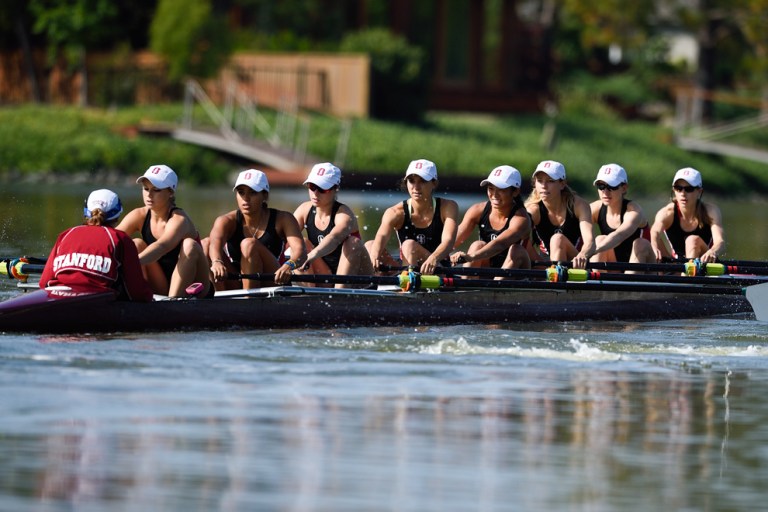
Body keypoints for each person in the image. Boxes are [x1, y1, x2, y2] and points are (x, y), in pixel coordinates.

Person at [115, 164, 211, 298]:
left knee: (189, 244)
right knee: (136, 244)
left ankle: (172, 303)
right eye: (146, 188)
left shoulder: (179, 219)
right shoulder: (139, 215)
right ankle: (135, 296)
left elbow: (162, 246)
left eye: (156, 190)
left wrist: (131, 263)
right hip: (162, 283)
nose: (149, 194)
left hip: (196, 284)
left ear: (170, 192)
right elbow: (111, 239)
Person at [39, 189, 153, 301]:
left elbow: (44, 282)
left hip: (58, 301)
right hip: (100, 304)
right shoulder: (121, 239)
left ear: (86, 212)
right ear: (117, 214)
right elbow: (136, 292)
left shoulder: (66, 234)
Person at [204, 169, 306, 290]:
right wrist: (217, 262)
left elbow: (301, 252)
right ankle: (220, 299)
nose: (246, 199)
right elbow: (214, 244)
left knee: (249, 244)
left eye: (252, 193)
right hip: (237, 282)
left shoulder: (283, 219)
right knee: (206, 243)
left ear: (265, 195)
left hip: (272, 280)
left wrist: (289, 265)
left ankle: (248, 300)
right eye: (241, 192)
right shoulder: (226, 221)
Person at [366, 159, 459, 275]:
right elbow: (381, 236)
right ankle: (376, 285)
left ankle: (407, 286)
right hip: (407, 267)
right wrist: (375, 255)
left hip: (438, 268)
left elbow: (448, 241)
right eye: (411, 181)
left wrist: (434, 258)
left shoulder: (448, 207)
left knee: (409, 245)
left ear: (434, 183)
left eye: (422, 181)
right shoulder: (395, 212)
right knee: (370, 246)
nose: (416, 187)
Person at [292, 163, 373, 287]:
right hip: (327, 277)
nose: (316, 193)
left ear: (336, 188)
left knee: (353, 242)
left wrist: (312, 255)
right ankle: (308, 296)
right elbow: (282, 237)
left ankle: (339, 294)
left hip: (356, 281)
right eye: (312, 186)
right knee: (299, 243)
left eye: (323, 188)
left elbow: (333, 238)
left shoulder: (345, 215)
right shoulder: (304, 210)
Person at [450, 165, 531, 270]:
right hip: (486, 266)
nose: (494, 195)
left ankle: (497, 283)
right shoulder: (477, 210)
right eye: (491, 189)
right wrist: (433, 257)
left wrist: (469, 257)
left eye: (501, 190)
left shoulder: (521, 218)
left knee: (516, 250)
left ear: (515, 192)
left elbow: (500, 244)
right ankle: (467, 283)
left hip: (516, 271)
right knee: (477, 245)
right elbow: (452, 241)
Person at [524, 160, 594, 268]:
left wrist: (583, 255)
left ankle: (556, 279)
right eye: (540, 181)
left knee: (557, 239)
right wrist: (542, 267)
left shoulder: (578, 205)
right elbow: (519, 239)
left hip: (576, 265)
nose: (544, 186)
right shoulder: (533, 210)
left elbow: (590, 242)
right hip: (546, 267)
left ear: (562, 184)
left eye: (550, 181)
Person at [650, 167, 725, 263]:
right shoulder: (667, 213)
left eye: (688, 189)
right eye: (678, 188)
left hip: (705, 263)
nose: (683, 193)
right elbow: (654, 232)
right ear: (674, 190)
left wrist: (712, 251)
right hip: (678, 265)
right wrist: (654, 247)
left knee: (692, 240)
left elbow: (720, 241)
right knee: (645, 242)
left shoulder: (710, 211)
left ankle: (687, 276)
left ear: (699, 191)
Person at [587, 163, 655, 265]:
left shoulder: (634, 210)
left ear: (624, 188)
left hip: (643, 267)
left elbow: (619, 236)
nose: (605, 192)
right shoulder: (595, 208)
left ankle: (630, 279)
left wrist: (590, 252)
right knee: (600, 239)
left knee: (640, 244)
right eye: (601, 186)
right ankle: (599, 279)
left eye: (611, 186)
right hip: (615, 266)